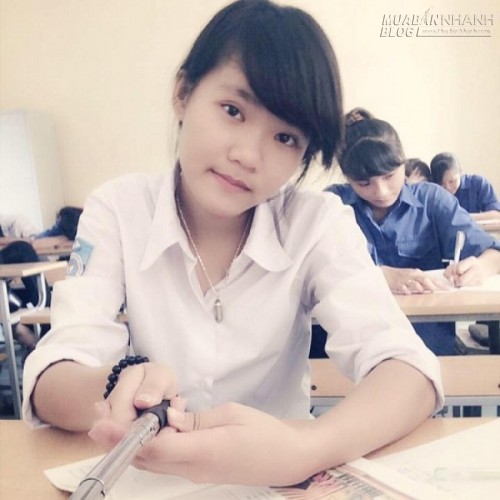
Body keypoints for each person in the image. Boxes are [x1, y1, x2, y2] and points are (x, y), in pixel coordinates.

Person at [23, 0, 442, 488]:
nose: (247, 155)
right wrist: (116, 384)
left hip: (280, 482)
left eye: (285, 138)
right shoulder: (119, 209)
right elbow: (53, 375)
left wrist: (305, 449)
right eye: (232, 111)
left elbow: (409, 370)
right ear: (183, 94)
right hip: (145, 478)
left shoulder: (315, 223)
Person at [326, 118, 500, 356]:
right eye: (364, 183)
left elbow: (494, 253)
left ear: (403, 163)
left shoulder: (432, 200)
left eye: (389, 176)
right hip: (355, 347)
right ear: (347, 178)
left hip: (427, 344)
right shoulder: (333, 204)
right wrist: (379, 275)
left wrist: (481, 267)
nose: (381, 191)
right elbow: (312, 271)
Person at [430, 152, 500, 221]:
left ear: (460, 173)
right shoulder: (431, 190)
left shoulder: (477, 184)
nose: (448, 187)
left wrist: (461, 217)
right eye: (441, 184)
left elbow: (496, 214)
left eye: (452, 181)